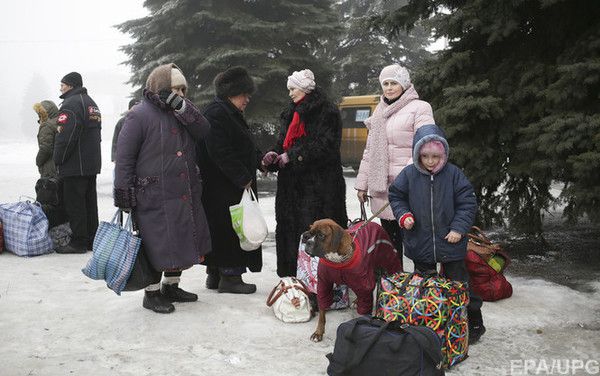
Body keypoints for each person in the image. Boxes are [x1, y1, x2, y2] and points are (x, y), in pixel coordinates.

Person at [114, 63, 212, 314]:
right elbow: (125, 158)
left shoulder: (183, 112)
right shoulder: (139, 115)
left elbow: (204, 130)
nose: (180, 93)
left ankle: (171, 285)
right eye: (174, 89)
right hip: (152, 194)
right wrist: (124, 193)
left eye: (183, 89)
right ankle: (152, 292)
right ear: (160, 88)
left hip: (183, 190)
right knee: (157, 243)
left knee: (179, 239)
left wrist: (183, 108)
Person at [388, 124, 485, 344]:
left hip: (451, 242)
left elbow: (467, 203)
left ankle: (472, 321)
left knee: (459, 284)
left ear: (443, 154)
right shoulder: (409, 174)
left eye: (435, 156)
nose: (430, 161)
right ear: (417, 154)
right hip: (420, 241)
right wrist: (404, 215)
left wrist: (459, 228)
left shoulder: (453, 174)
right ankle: (430, 320)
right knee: (425, 285)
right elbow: (396, 196)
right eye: (425, 156)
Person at [262, 69, 348, 277]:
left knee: (316, 235)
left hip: (319, 187)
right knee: (290, 231)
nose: (290, 93)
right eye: (289, 89)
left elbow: (326, 146)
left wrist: (293, 155)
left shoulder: (327, 111)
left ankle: (320, 281)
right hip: (291, 187)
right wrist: (273, 156)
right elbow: (283, 142)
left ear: (304, 88)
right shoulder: (290, 112)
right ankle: (293, 276)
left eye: (293, 89)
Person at [355, 64, 434, 257]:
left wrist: (404, 177)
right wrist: (362, 185)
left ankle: (421, 283)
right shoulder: (379, 112)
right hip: (382, 189)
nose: (389, 88)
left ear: (404, 85)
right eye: (386, 83)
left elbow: (425, 145)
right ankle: (393, 283)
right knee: (391, 247)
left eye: (394, 83)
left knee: (417, 244)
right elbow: (369, 152)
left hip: (409, 187)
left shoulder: (420, 108)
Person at [197, 66, 263, 294]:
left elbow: (242, 145)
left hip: (224, 187)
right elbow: (220, 151)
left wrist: (259, 160)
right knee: (230, 230)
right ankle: (231, 276)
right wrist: (243, 177)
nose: (247, 99)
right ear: (232, 92)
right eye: (244, 94)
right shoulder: (218, 114)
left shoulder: (226, 112)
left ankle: (215, 274)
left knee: (223, 229)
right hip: (224, 187)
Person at [53, 72, 101, 254]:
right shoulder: (91, 104)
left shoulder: (70, 105)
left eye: (63, 84)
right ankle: (91, 239)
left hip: (75, 165)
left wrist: (58, 159)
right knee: (89, 203)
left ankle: (79, 241)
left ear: (71, 85)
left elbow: (66, 137)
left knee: (75, 204)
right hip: (90, 164)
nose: (60, 87)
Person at [33, 100, 59, 178]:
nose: (39, 116)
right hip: (59, 166)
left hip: (50, 167)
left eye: (40, 113)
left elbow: (46, 148)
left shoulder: (47, 126)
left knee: (48, 188)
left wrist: (38, 161)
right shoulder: (59, 122)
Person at [111, 98, 139, 162]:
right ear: (129, 109)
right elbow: (115, 141)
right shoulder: (121, 122)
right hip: (123, 158)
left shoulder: (144, 123)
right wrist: (114, 157)